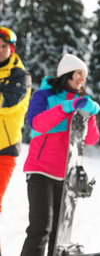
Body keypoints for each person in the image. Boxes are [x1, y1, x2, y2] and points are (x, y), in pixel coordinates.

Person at [20, 53, 100, 256]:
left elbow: (91, 139)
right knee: (41, 227)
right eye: (79, 73)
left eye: (85, 75)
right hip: (41, 170)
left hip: (68, 176)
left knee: (60, 234)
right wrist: (65, 107)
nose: (83, 78)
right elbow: (37, 123)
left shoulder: (81, 101)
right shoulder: (43, 96)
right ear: (67, 73)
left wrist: (90, 115)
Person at [0, 26, 32, 253]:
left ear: (11, 49)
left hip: (5, 149)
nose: (0, 51)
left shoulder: (21, 76)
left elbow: (9, 103)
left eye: (4, 47)